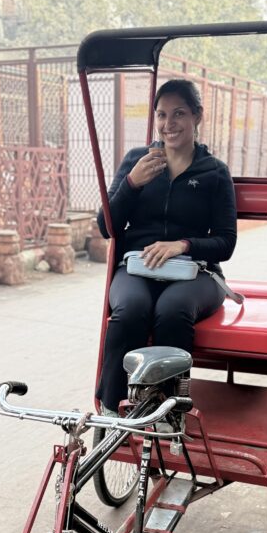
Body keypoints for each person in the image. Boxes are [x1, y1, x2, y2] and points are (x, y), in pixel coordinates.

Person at [96, 78, 237, 415]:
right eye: (161, 115)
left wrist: (183, 245)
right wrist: (132, 184)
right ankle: (113, 410)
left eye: (179, 114)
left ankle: (168, 409)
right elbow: (106, 226)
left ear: (197, 116)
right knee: (131, 309)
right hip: (137, 266)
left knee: (172, 310)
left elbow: (225, 242)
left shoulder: (214, 172)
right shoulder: (137, 160)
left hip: (196, 273)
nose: (168, 124)